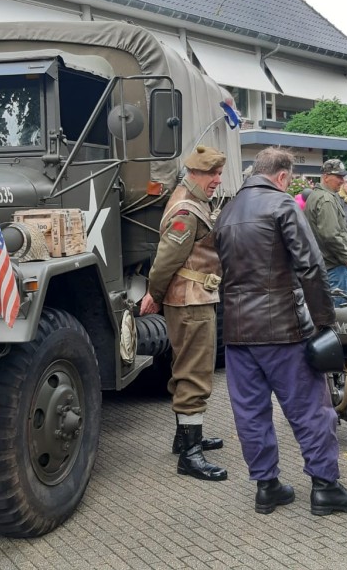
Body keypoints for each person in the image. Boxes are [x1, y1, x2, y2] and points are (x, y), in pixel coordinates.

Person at [212, 146, 347, 516]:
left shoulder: (227, 212)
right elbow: (312, 266)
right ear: (282, 177)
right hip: (282, 329)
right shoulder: (283, 206)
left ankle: (267, 488)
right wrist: (324, 321)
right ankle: (325, 488)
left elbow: (224, 274)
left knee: (250, 413)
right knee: (310, 409)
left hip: (237, 334)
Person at [139, 145, 228, 482]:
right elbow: (166, 260)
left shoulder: (191, 201)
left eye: (218, 173)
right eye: (212, 174)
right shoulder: (187, 210)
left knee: (187, 368)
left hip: (194, 298)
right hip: (190, 302)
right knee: (194, 373)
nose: (217, 180)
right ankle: (190, 455)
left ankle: (185, 438)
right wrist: (154, 294)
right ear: (194, 173)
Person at [304, 159, 347, 306]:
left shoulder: (317, 196)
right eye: (338, 177)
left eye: (343, 177)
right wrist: (346, 258)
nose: (342, 181)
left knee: (328, 312)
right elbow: (330, 235)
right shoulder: (326, 199)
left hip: (325, 264)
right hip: (335, 266)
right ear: (326, 176)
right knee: (342, 315)